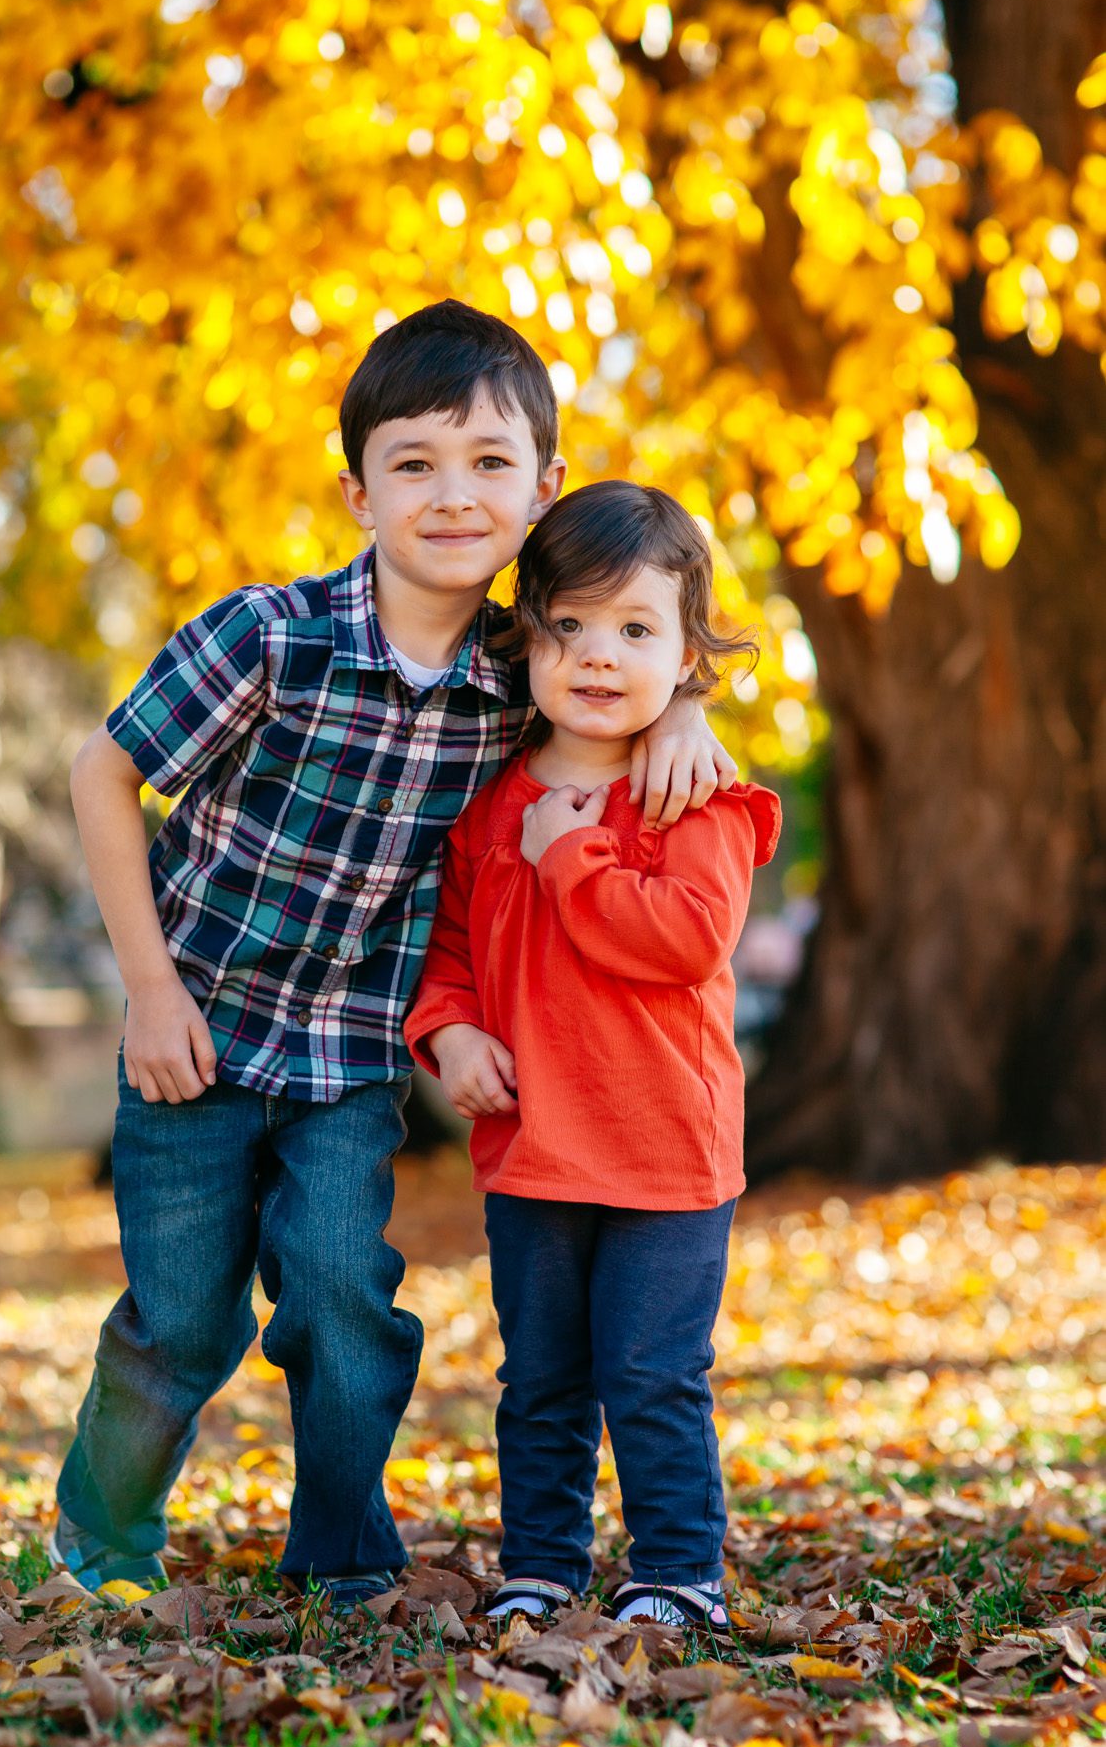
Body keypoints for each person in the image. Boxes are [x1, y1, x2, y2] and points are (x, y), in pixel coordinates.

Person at [50, 303, 737, 1609]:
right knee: (182, 1320)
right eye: (413, 463)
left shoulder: (528, 667)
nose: (452, 493)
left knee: (342, 1305)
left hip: (350, 1054)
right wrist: (146, 989)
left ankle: (345, 1560)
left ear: (543, 486)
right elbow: (103, 768)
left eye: (489, 462)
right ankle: (102, 1529)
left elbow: (628, 657)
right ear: (358, 491)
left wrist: (685, 712)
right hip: (193, 1033)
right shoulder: (271, 638)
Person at [406, 480, 779, 1632]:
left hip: (665, 1149)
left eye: (635, 628)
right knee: (542, 1379)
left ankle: (678, 1569)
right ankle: (543, 1563)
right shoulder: (489, 807)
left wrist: (571, 855)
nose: (598, 655)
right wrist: (450, 1031)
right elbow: (448, 945)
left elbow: (684, 939)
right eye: (567, 625)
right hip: (533, 1147)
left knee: (652, 1375)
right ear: (527, 640)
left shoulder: (698, 799)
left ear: (687, 656)